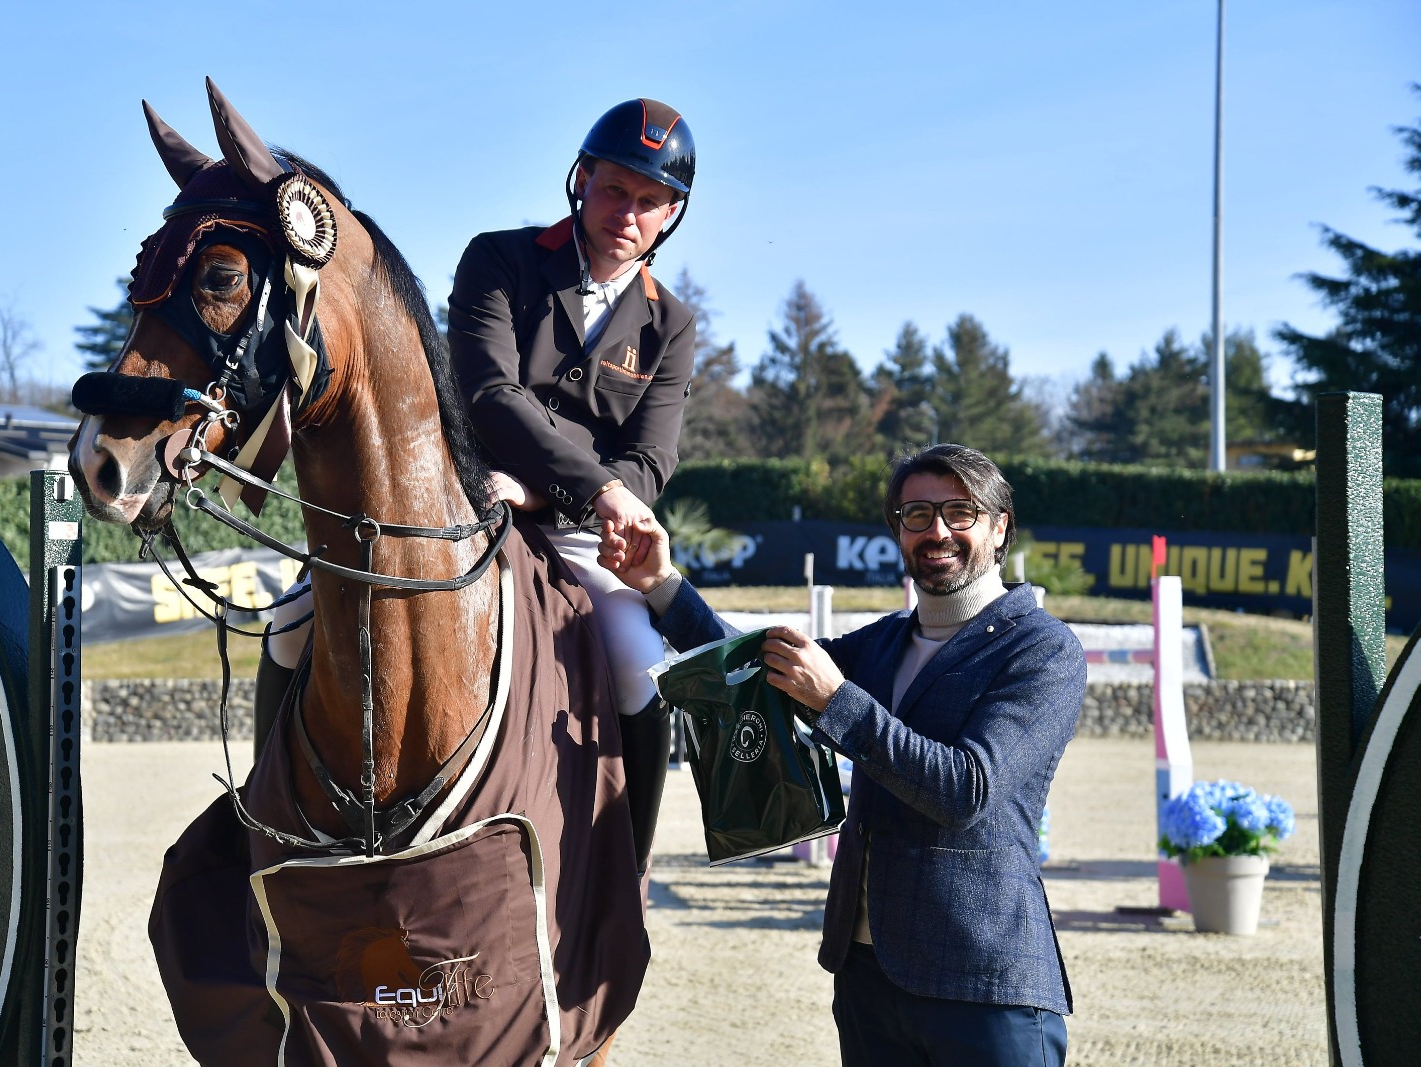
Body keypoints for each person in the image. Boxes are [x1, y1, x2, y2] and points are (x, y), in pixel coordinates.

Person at [603, 443, 1085, 1066]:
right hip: (866, 975)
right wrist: (661, 586)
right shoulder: (885, 642)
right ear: (898, 533)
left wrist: (836, 700)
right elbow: (756, 668)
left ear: (999, 528)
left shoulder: (1043, 649)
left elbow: (966, 791)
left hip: (984, 984)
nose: (936, 530)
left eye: (958, 512)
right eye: (916, 515)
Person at [442, 98, 699, 876]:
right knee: (297, 617)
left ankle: (628, 870)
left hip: (580, 531)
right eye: (616, 189)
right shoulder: (499, 259)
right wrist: (585, 488)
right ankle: (271, 824)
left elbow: (651, 462)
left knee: (637, 666)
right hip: (466, 501)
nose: (629, 212)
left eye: (649, 201)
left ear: (670, 214)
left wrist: (551, 495)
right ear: (582, 180)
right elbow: (491, 392)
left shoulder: (672, 324)